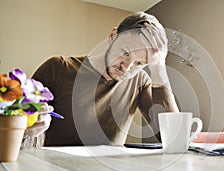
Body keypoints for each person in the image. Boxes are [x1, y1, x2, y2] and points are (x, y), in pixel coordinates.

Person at [23, 12, 179, 146]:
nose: (127, 67)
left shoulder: (140, 81)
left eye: (139, 63)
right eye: (125, 53)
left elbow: (172, 138)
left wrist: (159, 68)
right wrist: (26, 128)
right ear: (112, 36)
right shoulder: (57, 68)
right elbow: (13, 122)